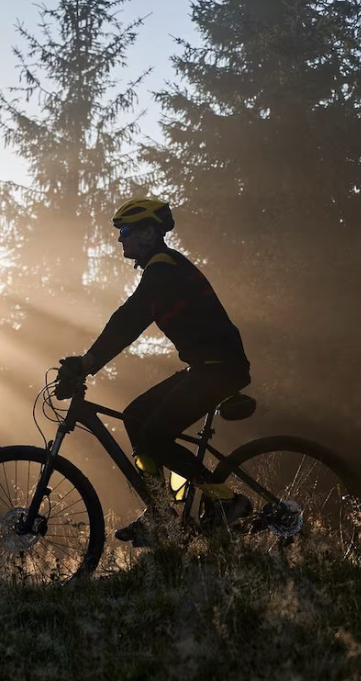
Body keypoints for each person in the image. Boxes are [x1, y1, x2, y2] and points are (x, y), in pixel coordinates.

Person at [60, 197, 253, 546]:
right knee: (135, 417)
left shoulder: (163, 267)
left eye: (126, 230)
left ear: (150, 232)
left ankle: (225, 499)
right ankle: (161, 511)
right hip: (209, 366)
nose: (120, 238)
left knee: (154, 436)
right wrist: (88, 364)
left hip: (218, 368)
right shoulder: (162, 267)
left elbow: (129, 319)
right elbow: (130, 319)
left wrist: (87, 364)